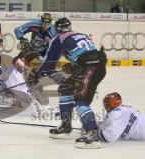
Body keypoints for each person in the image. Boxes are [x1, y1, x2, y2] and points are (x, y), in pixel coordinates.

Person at [26, 17, 107, 149]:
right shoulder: (79, 34)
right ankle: (66, 125)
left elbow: (49, 63)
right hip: (99, 65)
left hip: (88, 67)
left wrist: (36, 75)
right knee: (66, 88)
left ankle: (93, 135)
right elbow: (86, 52)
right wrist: (75, 65)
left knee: (80, 98)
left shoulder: (58, 39)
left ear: (57, 29)